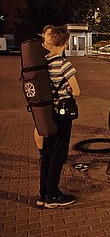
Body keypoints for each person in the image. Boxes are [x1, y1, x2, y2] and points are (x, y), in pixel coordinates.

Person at [37, 25, 80, 208]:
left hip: (47, 114)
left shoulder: (43, 62)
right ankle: (53, 195)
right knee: (58, 154)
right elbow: (76, 91)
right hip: (62, 115)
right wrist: (68, 89)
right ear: (65, 42)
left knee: (47, 153)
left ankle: (43, 194)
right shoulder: (64, 64)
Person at [33, 24, 55, 154]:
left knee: (51, 122)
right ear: (43, 35)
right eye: (48, 34)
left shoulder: (56, 50)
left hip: (53, 92)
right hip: (41, 92)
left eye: (53, 34)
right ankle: (42, 152)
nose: (51, 37)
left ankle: (51, 150)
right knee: (40, 124)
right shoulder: (38, 51)